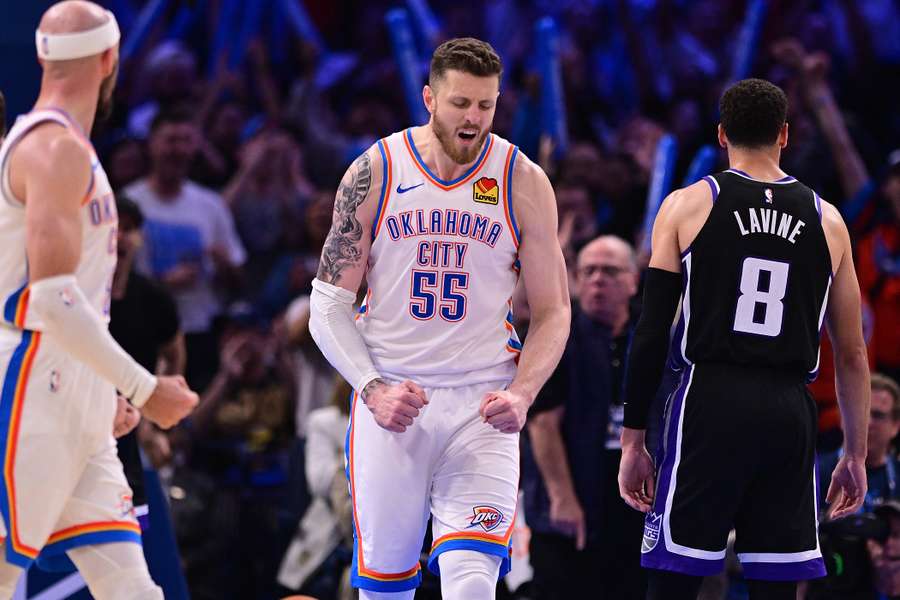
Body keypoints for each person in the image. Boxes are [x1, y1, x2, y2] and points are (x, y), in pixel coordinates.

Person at [308, 38, 570, 600]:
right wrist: (372, 388)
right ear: (429, 98)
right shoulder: (376, 170)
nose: (473, 118)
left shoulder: (522, 180)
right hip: (394, 402)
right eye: (460, 103)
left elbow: (554, 311)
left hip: (483, 403)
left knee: (472, 581)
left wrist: (523, 394)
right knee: (385, 590)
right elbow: (327, 304)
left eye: (485, 105)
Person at [618, 78, 871, 600]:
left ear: (721, 134)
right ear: (785, 134)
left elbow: (651, 331)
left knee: (674, 580)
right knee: (775, 584)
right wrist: (856, 453)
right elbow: (851, 352)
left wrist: (632, 439)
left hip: (709, 400)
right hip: (788, 408)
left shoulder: (687, 205)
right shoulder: (829, 221)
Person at [0, 2, 197, 598]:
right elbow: (52, 297)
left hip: (71, 395)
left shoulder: (69, 148)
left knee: (133, 590)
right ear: (111, 58)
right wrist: (145, 387)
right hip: (28, 389)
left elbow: (76, 298)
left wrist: (97, 386)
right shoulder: (53, 148)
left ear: (43, 57)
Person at [524, 235, 646, 599]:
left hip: (630, 502)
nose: (597, 280)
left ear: (633, 280)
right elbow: (542, 423)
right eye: (588, 271)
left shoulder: (653, 337)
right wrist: (561, 497)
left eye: (609, 271)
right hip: (569, 499)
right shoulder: (555, 336)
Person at [124, 106, 246, 392]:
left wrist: (225, 265)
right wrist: (163, 284)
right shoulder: (130, 201)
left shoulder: (210, 205)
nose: (178, 149)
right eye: (171, 140)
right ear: (151, 144)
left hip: (199, 331)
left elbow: (238, 280)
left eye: (186, 141)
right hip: (143, 328)